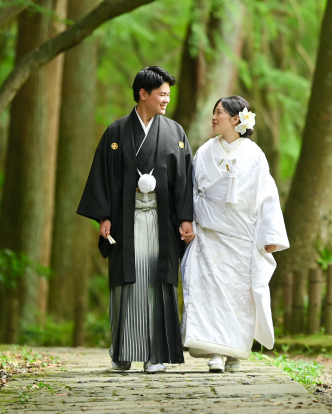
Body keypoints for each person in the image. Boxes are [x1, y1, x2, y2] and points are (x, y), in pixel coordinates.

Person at [77, 66, 195, 373]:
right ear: (143, 94)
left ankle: (155, 354)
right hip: (125, 223)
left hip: (161, 222)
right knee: (127, 284)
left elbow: (184, 178)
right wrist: (103, 216)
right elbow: (102, 178)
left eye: (169, 94)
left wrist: (185, 218)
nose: (167, 99)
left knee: (158, 282)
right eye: (162, 94)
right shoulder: (116, 132)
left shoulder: (175, 133)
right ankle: (122, 351)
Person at [181, 95, 289, 373]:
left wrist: (270, 235)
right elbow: (191, 191)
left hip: (241, 236)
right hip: (209, 234)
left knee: (239, 296)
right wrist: (188, 221)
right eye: (214, 112)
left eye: (219, 113)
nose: (214, 118)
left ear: (236, 119)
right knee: (209, 293)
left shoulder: (254, 155)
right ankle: (214, 351)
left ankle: (236, 351)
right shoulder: (204, 151)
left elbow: (267, 196)